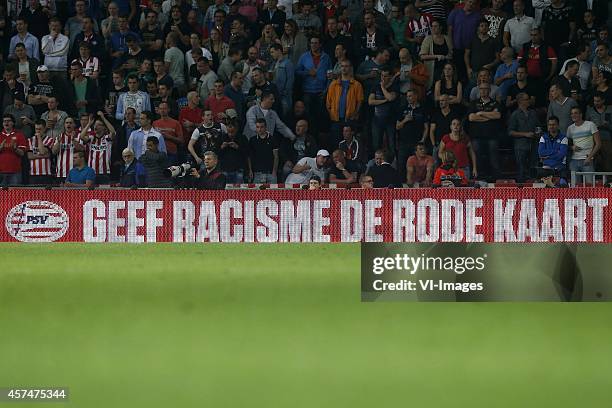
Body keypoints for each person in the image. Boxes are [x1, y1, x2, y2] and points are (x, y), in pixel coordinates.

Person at [468, 82, 502, 181]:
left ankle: (496, 179)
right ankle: (478, 178)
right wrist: (489, 117)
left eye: (485, 89)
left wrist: (481, 113)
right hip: (476, 136)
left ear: (489, 90)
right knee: (477, 157)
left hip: (492, 136)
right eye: (481, 89)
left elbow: (497, 115)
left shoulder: (495, 103)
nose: (483, 90)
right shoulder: (473, 103)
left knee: (494, 159)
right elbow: (471, 117)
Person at [508, 93, 540, 182]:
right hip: (520, 145)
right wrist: (525, 134)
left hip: (533, 144)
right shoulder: (515, 114)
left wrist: (538, 133)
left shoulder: (533, 113)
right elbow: (510, 132)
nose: (528, 101)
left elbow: (538, 126)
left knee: (533, 167)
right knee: (521, 169)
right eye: (526, 99)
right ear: (520, 101)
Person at [80, 112, 117, 184]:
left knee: (104, 194)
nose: (96, 126)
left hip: (105, 172)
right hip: (91, 173)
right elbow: (81, 136)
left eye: (99, 125)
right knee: (90, 194)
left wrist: (103, 118)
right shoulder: (91, 138)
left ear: (104, 127)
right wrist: (89, 124)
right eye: (95, 124)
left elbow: (113, 132)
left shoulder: (107, 139)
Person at [566, 106, 601, 183]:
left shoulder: (590, 124)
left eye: (575, 113)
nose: (573, 115)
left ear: (581, 114)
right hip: (574, 160)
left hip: (587, 159)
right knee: (575, 187)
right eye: (571, 113)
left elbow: (598, 144)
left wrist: (590, 157)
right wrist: (571, 147)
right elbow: (565, 145)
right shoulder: (570, 128)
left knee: (590, 186)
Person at [51, 116, 86, 182]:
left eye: (70, 123)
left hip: (77, 172)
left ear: (74, 125)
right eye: (67, 123)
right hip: (61, 173)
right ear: (64, 125)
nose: (68, 124)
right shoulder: (59, 136)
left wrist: (73, 140)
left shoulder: (79, 136)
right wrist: (58, 142)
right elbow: (54, 152)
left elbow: (81, 149)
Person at [586, 92, 612, 171]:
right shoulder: (589, 110)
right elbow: (585, 125)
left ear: (603, 101)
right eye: (595, 101)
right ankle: (595, 179)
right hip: (593, 139)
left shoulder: (610, 109)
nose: (596, 103)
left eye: (598, 101)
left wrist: (608, 125)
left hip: (607, 138)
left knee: (608, 159)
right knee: (594, 159)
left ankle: (609, 180)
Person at [248, 118, 280, 183]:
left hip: (270, 173)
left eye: (261, 127)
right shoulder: (252, 140)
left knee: (273, 193)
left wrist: (274, 171)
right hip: (257, 173)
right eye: (257, 127)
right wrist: (250, 170)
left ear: (266, 127)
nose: (259, 129)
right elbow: (249, 156)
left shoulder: (272, 139)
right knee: (257, 193)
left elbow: (276, 157)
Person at [0, 113, 28, 185]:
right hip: (1, 172)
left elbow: (22, 153)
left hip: (15, 171)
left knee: (15, 194)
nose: (6, 123)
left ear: (13, 123)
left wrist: (15, 149)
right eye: (4, 121)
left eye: (8, 121)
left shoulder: (19, 135)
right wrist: (0, 148)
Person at [153, 101, 184, 165]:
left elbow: (181, 140)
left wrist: (169, 137)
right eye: (161, 109)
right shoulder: (154, 123)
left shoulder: (176, 123)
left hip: (171, 153)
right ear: (158, 110)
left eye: (164, 108)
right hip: (158, 154)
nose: (162, 110)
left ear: (168, 110)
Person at [27, 119, 55, 185]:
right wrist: (45, 156)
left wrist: (39, 138)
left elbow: (42, 151)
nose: (38, 131)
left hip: (46, 173)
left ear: (45, 129)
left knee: (47, 195)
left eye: (40, 129)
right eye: (36, 129)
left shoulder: (50, 140)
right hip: (33, 174)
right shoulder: (30, 140)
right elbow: (29, 156)